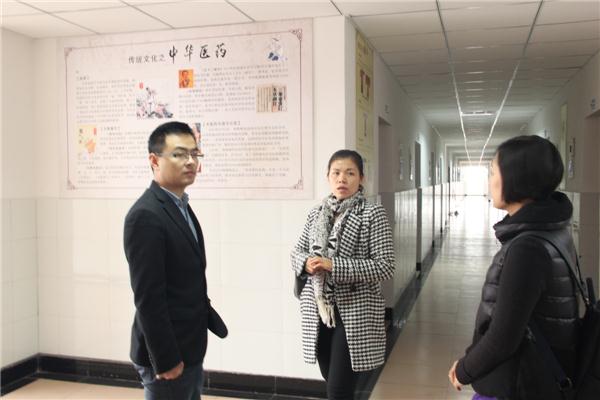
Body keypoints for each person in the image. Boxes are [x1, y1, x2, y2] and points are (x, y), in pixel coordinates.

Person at [448, 135, 579, 400]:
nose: (489, 181)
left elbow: (503, 337)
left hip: (520, 382)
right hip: (536, 376)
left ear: (516, 178)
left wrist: (464, 370)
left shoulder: (527, 248)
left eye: (493, 172)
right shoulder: (553, 231)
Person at [124, 121, 225, 400]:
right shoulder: (145, 216)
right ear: (154, 161)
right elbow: (148, 298)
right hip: (167, 356)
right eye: (179, 154)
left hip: (188, 345)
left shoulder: (179, 205)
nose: (190, 161)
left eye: (194, 153)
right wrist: (166, 359)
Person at [291, 149, 395, 400]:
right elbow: (297, 251)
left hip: (354, 311)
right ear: (327, 176)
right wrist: (307, 263)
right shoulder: (317, 212)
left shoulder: (372, 213)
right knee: (332, 381)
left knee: (338, 390)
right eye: (336, 173)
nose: (342, 179)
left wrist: (333, 265)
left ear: (361, 178)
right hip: (320, 310)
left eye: (350, 173)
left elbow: (385, 266)